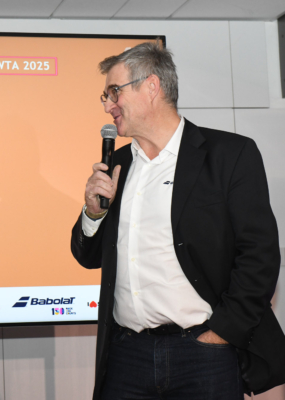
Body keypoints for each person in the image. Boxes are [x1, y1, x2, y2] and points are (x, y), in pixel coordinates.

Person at [71, 41, 285, 400]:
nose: (108, 105)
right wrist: (93, 213)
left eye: (114, 92)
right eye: (105, 96)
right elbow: (88, 257)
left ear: (151, 86)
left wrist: (221, 334)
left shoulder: (228, 155)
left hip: (203, 353)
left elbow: (259, 256)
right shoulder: (117, 165)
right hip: (126, 355)